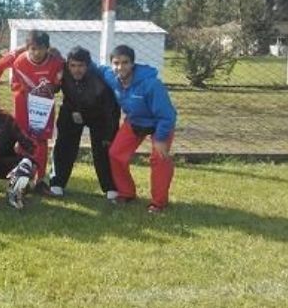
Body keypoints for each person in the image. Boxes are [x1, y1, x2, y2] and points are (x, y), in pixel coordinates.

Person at [99, 45, 177, 213]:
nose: (120, 67)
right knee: (115, 153)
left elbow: (167, 115)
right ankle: (126, 193)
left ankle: (158, 203)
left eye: (125, 62)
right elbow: (96, 67)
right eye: (116, 63)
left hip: (159, 123)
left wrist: (161, 139)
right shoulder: (112, 77)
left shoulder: (151, 84)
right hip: (135, 121)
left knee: (160, 158)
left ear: (133, 64)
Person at [49, 46, 120, 199]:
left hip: (99, 114)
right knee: (64, 144)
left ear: (88, 65)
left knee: (102, 149)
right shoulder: (63, 71)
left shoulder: (100, 80)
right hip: (72, 110)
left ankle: (110, 187)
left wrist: (109, 134)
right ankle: (57, 183)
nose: (76, 70)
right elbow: (50, 58)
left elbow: (111, 110)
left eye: (81, 66)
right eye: (73, 65)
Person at [10, 31, 64, 194]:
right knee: (22, 140)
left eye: (40, 49)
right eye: (32, 49)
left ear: (47, 48)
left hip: (44, 107)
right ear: (27, 48)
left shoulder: (56, 62)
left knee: (41, 142)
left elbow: (57, 86)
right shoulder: (19, 62)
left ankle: (39, 180)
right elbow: (14, 86)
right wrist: (28, 91)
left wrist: (51, 88)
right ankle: (20, 178)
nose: (36, 52)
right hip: (23, 106)